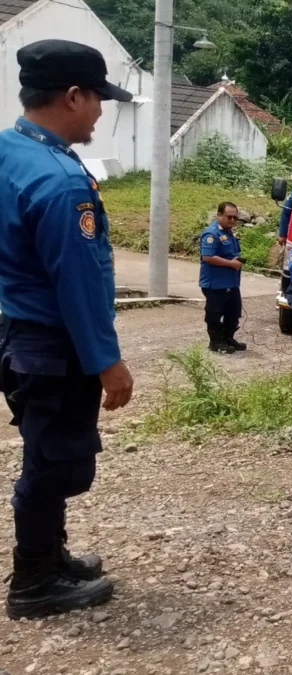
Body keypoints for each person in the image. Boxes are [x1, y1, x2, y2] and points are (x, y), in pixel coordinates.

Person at [0, 39, 136, 619]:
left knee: (46, 452)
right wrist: (109, 363)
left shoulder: (11, 151)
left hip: (17, 332)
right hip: (53, 346)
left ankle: (50, 557)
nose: (102, 112)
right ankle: (33, 581)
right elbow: (77, 285)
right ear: (72, 96)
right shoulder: (61, 182)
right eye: (98, 100)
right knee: (55, 464)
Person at [199, 202, 245, 353]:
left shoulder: (229, 232)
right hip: (215, 283)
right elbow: (208, 257)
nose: (232, 220)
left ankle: (228, 338)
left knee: (234, 311)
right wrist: (231, 264)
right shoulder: (212, 234)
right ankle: (216, 342)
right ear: (219, 215)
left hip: (230, 282)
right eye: (229, 217)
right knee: (215, 313)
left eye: (235, 217)